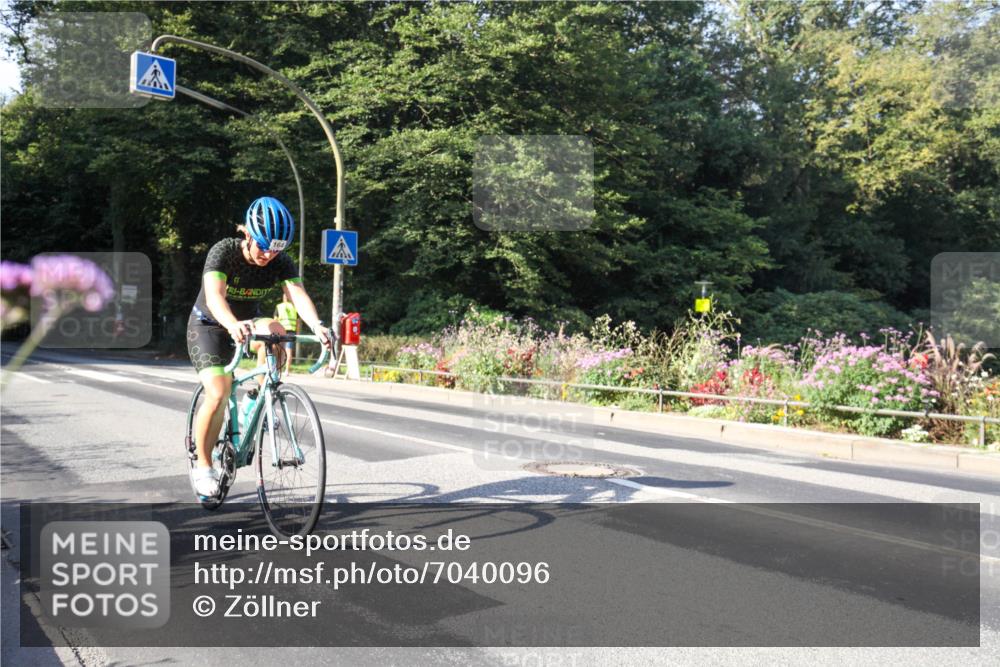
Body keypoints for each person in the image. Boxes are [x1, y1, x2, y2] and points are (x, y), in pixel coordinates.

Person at [186, 196, 333, 499]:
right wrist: (230, 324)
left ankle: (257, 399)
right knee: (219, 392)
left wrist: (317, 325)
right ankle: (203, 465)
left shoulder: (279, 260)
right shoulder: (224, 252)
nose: (268, 255)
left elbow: (297, 294)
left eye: (276, 249)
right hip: (209, 324)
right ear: (248, 235)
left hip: (248, 321)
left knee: (276, 332)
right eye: (264, 247)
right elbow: (214, 297)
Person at [274, 294, 298, 378]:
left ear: (283, 298)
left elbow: (275, 320)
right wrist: (297, 332)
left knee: (279, 350)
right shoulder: (294, 307)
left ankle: (277, 369)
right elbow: (298, 321)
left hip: (281, 331)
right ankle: (287, 371)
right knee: (289, 351)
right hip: (291, 331)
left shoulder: (279, 306)